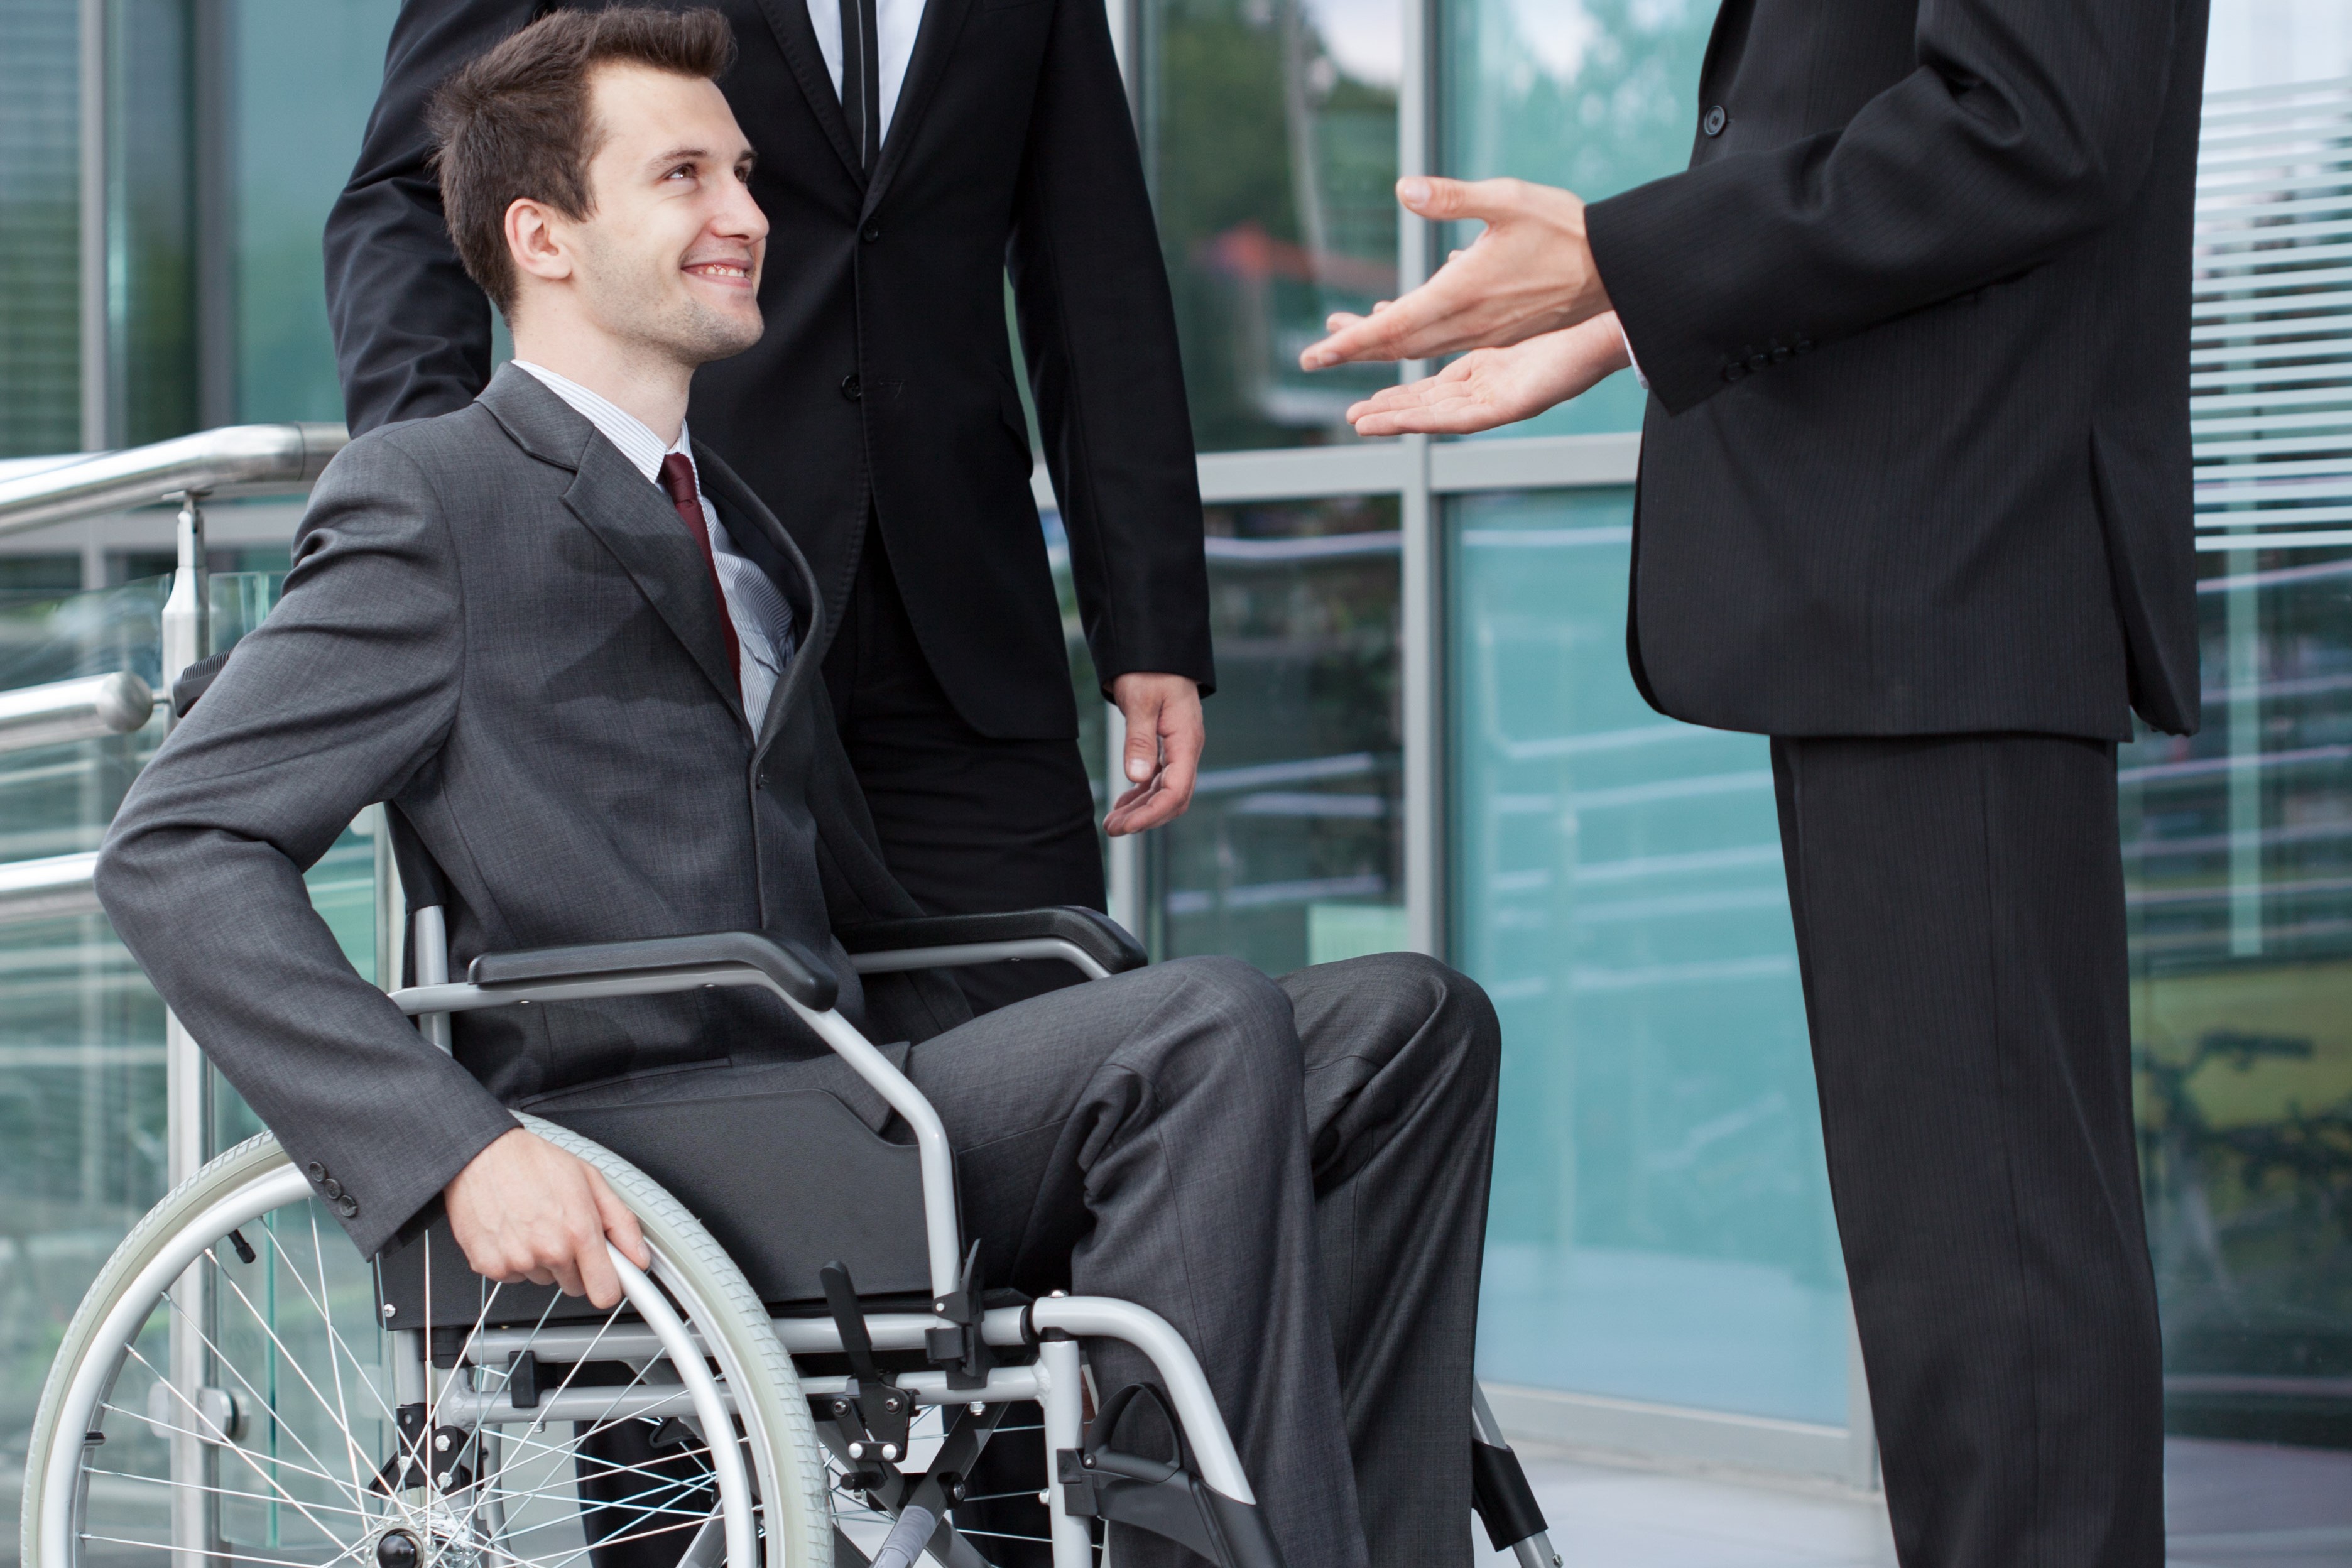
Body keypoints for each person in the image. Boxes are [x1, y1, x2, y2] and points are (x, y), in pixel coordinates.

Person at [96, 14, 1500, 1568]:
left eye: (745, 172)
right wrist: (453, 1148)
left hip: (834, 1077)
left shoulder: (741, 530)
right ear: (542, 236)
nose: (748, 214)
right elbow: (178, 847)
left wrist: (1045, 977)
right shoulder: (436, 504)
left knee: (1410, 1025)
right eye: (686, 175)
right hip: (667, 1123)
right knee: (1200, 1024)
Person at [1299, 0, 2208, 1564]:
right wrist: (1621, 317)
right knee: (1963, 1293)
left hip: (1955, 567)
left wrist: (1619, 259)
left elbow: (2033, 123)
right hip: (1923, 576)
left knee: (1996, 1303)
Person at [327, 0, 1211, 1009]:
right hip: (662, 583)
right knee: (699, 1058)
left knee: (1065, 1042)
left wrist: (1150, 620)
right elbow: (414, 191)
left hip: (965, 617)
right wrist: (471, 501)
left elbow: (1090, 252)